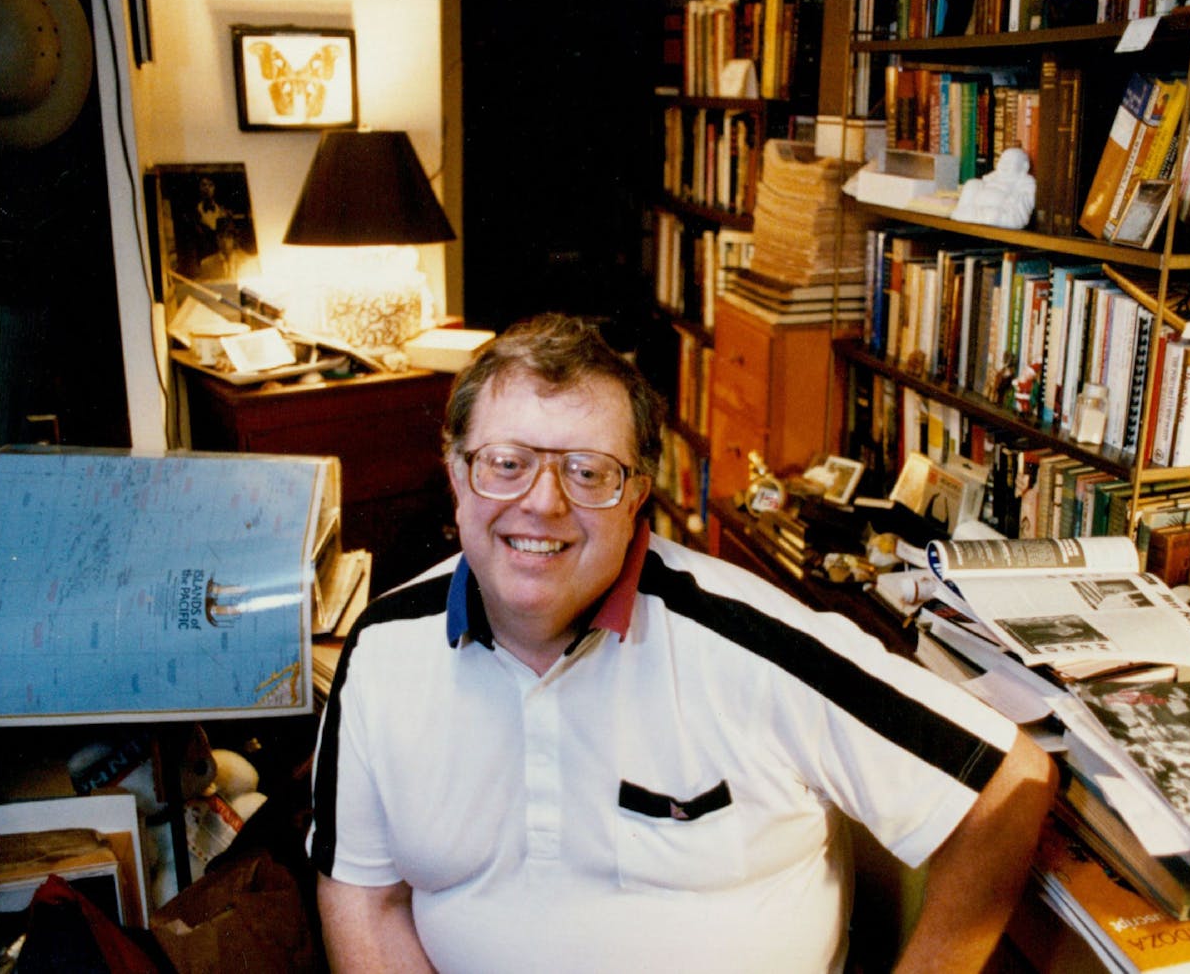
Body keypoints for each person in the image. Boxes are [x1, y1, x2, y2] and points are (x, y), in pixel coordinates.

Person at [308, 313, 1056, 973]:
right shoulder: (380, 654)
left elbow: (1007, 783)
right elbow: (364, 899)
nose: (543, 500)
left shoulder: (753, 643)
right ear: (456, 471)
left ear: (637, 494)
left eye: (587, 471)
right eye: (507, 462)